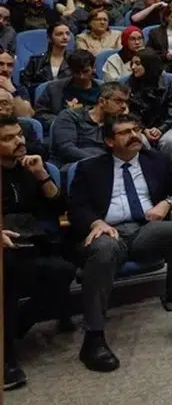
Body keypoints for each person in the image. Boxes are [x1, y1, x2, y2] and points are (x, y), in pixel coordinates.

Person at [68, 114, 172, 372]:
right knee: (104, 249)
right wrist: (96, 223)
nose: (133, 136)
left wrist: (167, 203)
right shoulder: (90, 168)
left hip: (145, 229)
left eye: (136, 130)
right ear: (109, 141)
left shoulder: (156, 161)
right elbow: (76, 208)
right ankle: (93, 338)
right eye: (125, 132)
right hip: (109, 232)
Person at [2, 115, 75, 390]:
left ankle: (13, 330)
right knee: (8, 270)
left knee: (64, 272)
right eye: (8, 139)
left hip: (30, 243)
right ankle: (6, 357)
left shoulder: (28, 168)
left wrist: (41, 175)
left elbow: (60, 208)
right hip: (5, 250)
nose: (19, 141)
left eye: (19, 135)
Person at [126, 48, 172, 175]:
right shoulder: (129, 83)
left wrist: (161, 128)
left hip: (166, 125)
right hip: (139, 127)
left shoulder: (170, 81)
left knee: (171, 142)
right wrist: (143, 129)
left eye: (138, 63)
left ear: (149, 64)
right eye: (132, 63)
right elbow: (129, 111)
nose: (133, 67)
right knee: (139, 141)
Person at [20, 21, 73, 90]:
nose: (65, 37)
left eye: (67, 34)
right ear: (49, 38)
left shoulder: (75, 58)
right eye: (59, 34)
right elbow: (24, 83)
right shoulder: (36, 60)